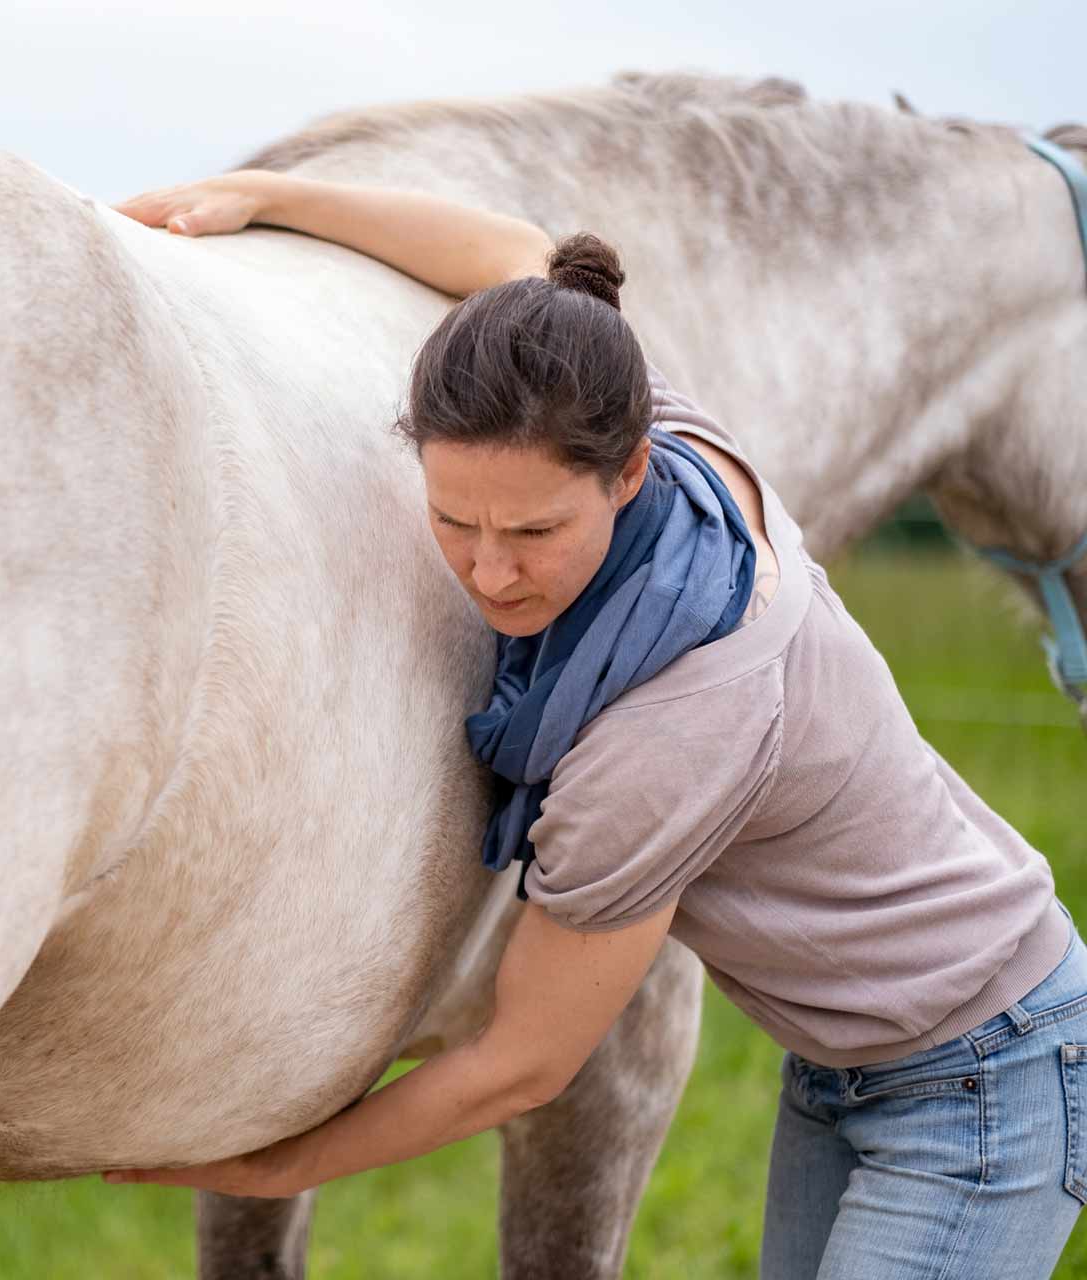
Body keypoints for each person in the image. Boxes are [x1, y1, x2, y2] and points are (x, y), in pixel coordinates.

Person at [100, 170, 1087, 1278]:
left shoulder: (663, 731)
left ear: (623, 476)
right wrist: (269, 195)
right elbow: (519, 253)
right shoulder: (662, 431)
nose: (488, 568)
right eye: (451, 517)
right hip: (853, 1057)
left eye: (532, 529)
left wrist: (275, 1167)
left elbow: (523, 1060)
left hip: (984, 1078)